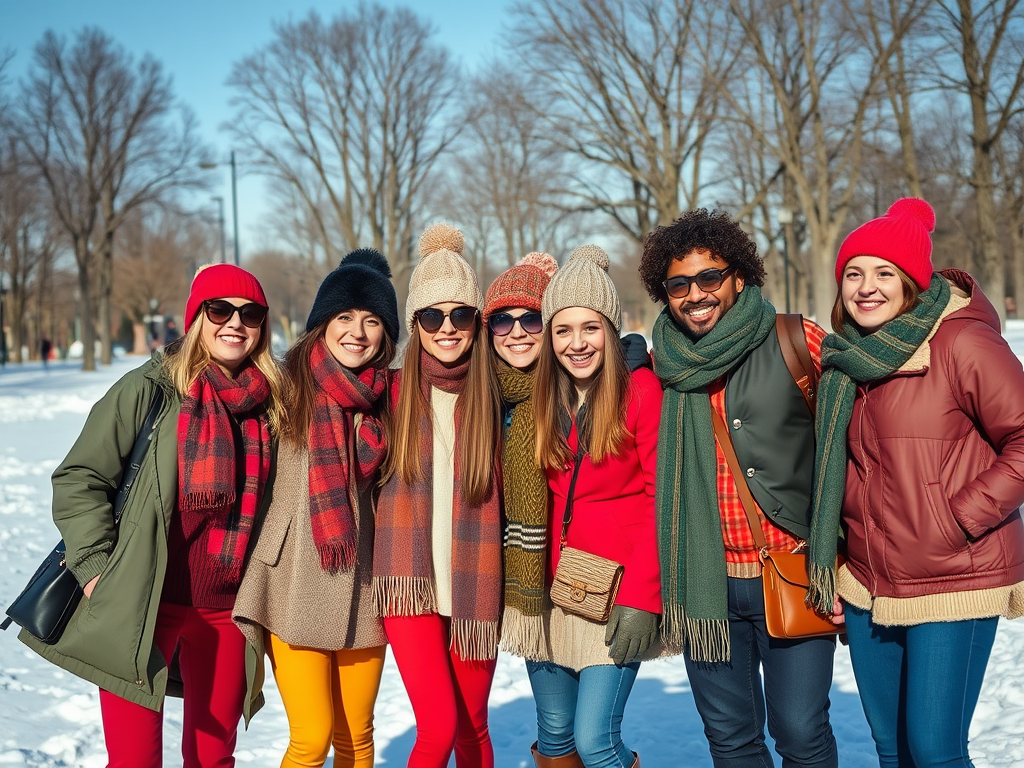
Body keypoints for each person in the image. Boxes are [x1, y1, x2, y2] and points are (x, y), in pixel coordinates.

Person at [19, 264, 282, 767]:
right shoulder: (150, 390)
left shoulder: (272, 405)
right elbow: (79, 477)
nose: (235, 323)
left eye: (250, 313)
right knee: (134, 759)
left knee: (212, 758)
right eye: (219, 309)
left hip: (228, 611)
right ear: (196, 318)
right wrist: (97, 568)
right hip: (142, 601)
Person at [807, 198, 1024, 768]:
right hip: (866, 581)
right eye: (854, 273)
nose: (866, 287)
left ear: (912, 282)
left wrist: (956, 519)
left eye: (884, 273)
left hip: (952, 576)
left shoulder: (961, 344)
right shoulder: (845, 361)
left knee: (934, 750)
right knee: (890, 748)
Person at [639, 210, 838, 768]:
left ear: (739, 278)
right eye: (678, 284)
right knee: (731, 742)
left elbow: (858, 445)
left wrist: (843, 554)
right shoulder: (662, 368)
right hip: (704, 585)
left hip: (792, 571)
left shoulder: (797, 341)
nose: (694, 294)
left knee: (801, 733)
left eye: (710, 278)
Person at [234, 249, 399, 768]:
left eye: (372, 320)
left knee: (357, 738)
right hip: (292, 585)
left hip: (367, 587)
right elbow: (219, 387)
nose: (357, 332)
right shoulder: (283, 387)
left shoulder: (394, 397)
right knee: (311, 738)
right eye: (344, 317)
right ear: (321, 325)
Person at [527, 244, 663, 768]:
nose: (576, 343)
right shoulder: (545, 399)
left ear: (610, 328)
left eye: (590, 328)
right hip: (552, 590)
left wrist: (643, 599)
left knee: (596, 742)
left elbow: (658, 502)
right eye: (562, 330)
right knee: (556, 739)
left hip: (616, 593)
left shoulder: (640, 392)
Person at [373, 223, 502, 768]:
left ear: (477, 320)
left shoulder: (501, 390)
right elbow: (320, 380)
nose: (447, 328)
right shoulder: (388, 390)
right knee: (438, 725)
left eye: (461, 314)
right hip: (409, 583)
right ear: (414, 324)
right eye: (431, 316)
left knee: (473, 726)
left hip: (479, 583)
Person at [483, 251, 558, 658]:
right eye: (501, 320)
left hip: (579, 579)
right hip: (507, 586)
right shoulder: (480, 397)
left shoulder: (574, 390)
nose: (517, 332)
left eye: (531, 319)